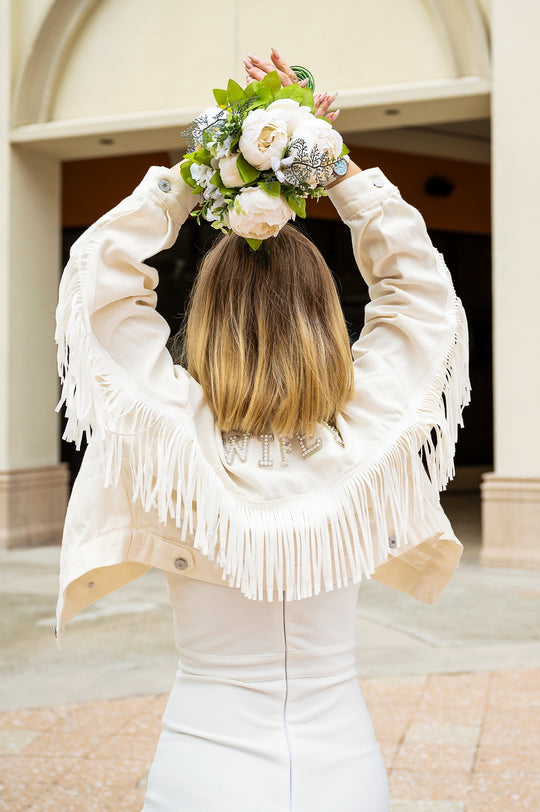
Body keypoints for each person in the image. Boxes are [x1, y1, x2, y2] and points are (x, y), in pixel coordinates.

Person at [54, 49, 471, 812]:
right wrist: (328, 163)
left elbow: (97, 280)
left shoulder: (171, 442)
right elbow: (421, 295)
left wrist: (211, 164)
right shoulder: (364, 439)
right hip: (342, 768)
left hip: (199, 769)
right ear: (325, 318)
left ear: (205, 318)